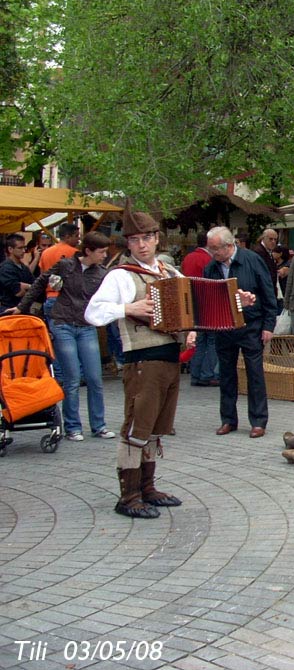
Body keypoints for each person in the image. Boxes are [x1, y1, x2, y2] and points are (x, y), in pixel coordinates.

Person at [85, 208, 197, 518]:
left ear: (157, 238)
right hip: (142, 362)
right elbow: (92, 313)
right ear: (128, 243)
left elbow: (193, 307)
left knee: (156, 427)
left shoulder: (170, 273)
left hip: (170, 361)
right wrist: (128, 308)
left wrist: (194, 329)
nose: (142, 245)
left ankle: (147, 488)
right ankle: (129, 496)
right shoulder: (120, 275)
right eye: (134, 240)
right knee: (137, 427)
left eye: (146, 238)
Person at [19, 231, 115, 440]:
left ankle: (99, 425)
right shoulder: (66, 265)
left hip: (86, 325)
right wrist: (21, 308)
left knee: (94, 378)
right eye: (101, 252)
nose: (104, 256)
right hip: (63, 323)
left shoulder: (102, 273)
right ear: (88, 251)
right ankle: (73, 427)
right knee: (72, 378)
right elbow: (41, 282)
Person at [204, 226, 278, 439]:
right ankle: (228, 419)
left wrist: (268, 326)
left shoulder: (252, 260)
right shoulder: (211, 267)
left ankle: (258, 421)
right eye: (210, 249)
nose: (212, 253)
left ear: (229, 246)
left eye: (215, 249)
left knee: (255, 374)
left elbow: (268, 292)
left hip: (251, 326)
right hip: (224, 328)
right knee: (226, 375)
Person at [180, 232, 219, 387]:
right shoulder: (209, 260)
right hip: (207, 303)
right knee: (212, 340)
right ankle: (207, 374)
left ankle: (195, 374)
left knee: (199, 340)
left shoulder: (188, 258)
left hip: (191, 304)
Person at [1, 234, 34, 311]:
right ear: (10, 249)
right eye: (20, 248)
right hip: (9, 310)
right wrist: (30, 287)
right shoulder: (6, 268)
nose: (23, 251)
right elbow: (18, 292)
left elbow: (35, 284)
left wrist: (27, 286)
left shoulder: (24, 267)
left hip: (24, 309)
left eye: (24, 247)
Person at [251, 228, 280, 297]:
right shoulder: (259, 252)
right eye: (271, 239)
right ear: (264, 238)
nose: (273, 242)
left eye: (275, 239)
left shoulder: (267, 251)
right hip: (263, 293)